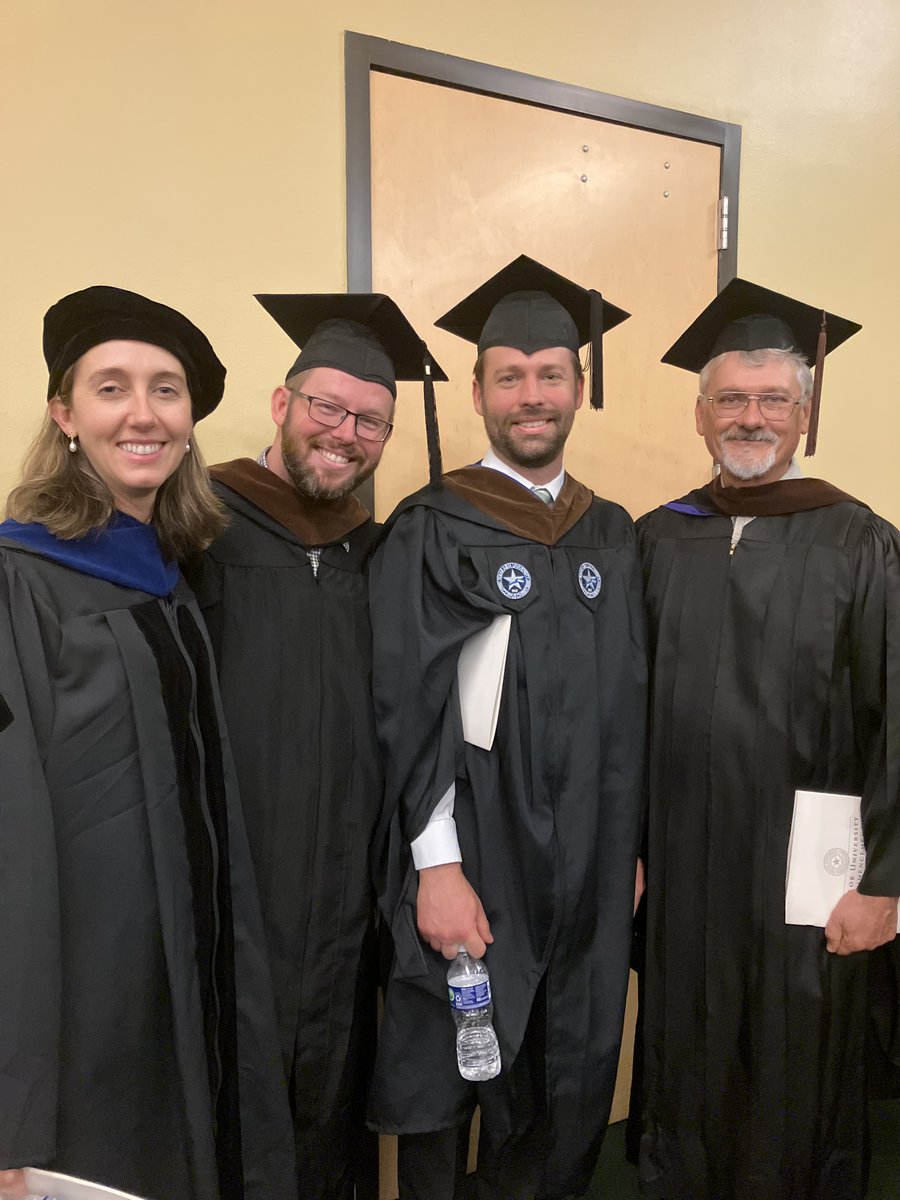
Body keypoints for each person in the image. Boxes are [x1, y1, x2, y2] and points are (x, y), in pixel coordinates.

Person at [0, 286, 296, 1200]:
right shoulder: (19, 581)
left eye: (166, 390)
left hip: (191, 964)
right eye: (111, 387)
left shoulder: (168, 576)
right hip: (83, 993)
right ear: (65, 414)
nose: (143, 413)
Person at [366, 256, 647, 1199]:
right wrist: (435, 865)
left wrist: (628, 845)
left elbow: (631, 705)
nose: (533, 395)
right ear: (480, 391)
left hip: (591, 856)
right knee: (455, 1062)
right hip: (477, 849)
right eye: (510, 376)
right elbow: (406, 708)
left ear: (579, 385)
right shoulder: (432, 526)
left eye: (551, 374)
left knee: (569, 1061)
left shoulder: (613, 532)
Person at [637, 278, 900, 1200]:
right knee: (685, 1046)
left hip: (810, 869)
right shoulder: (657, 540)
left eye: (774, 400)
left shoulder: (860, 542)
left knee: (800, 1063)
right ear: (700, 414)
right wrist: (626, 848)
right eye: (732, 399)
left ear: (805, 414)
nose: (752, 418)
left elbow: (899, 717)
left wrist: (887, 883)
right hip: (681, 863)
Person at [184, 293, 445, 1200]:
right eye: (327, 406)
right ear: (281, 403)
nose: (345, 433)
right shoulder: (195, 526)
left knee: (332, 1098)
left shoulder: (381, 553)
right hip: (231, 874)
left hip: (344, 887)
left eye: (371, 420)